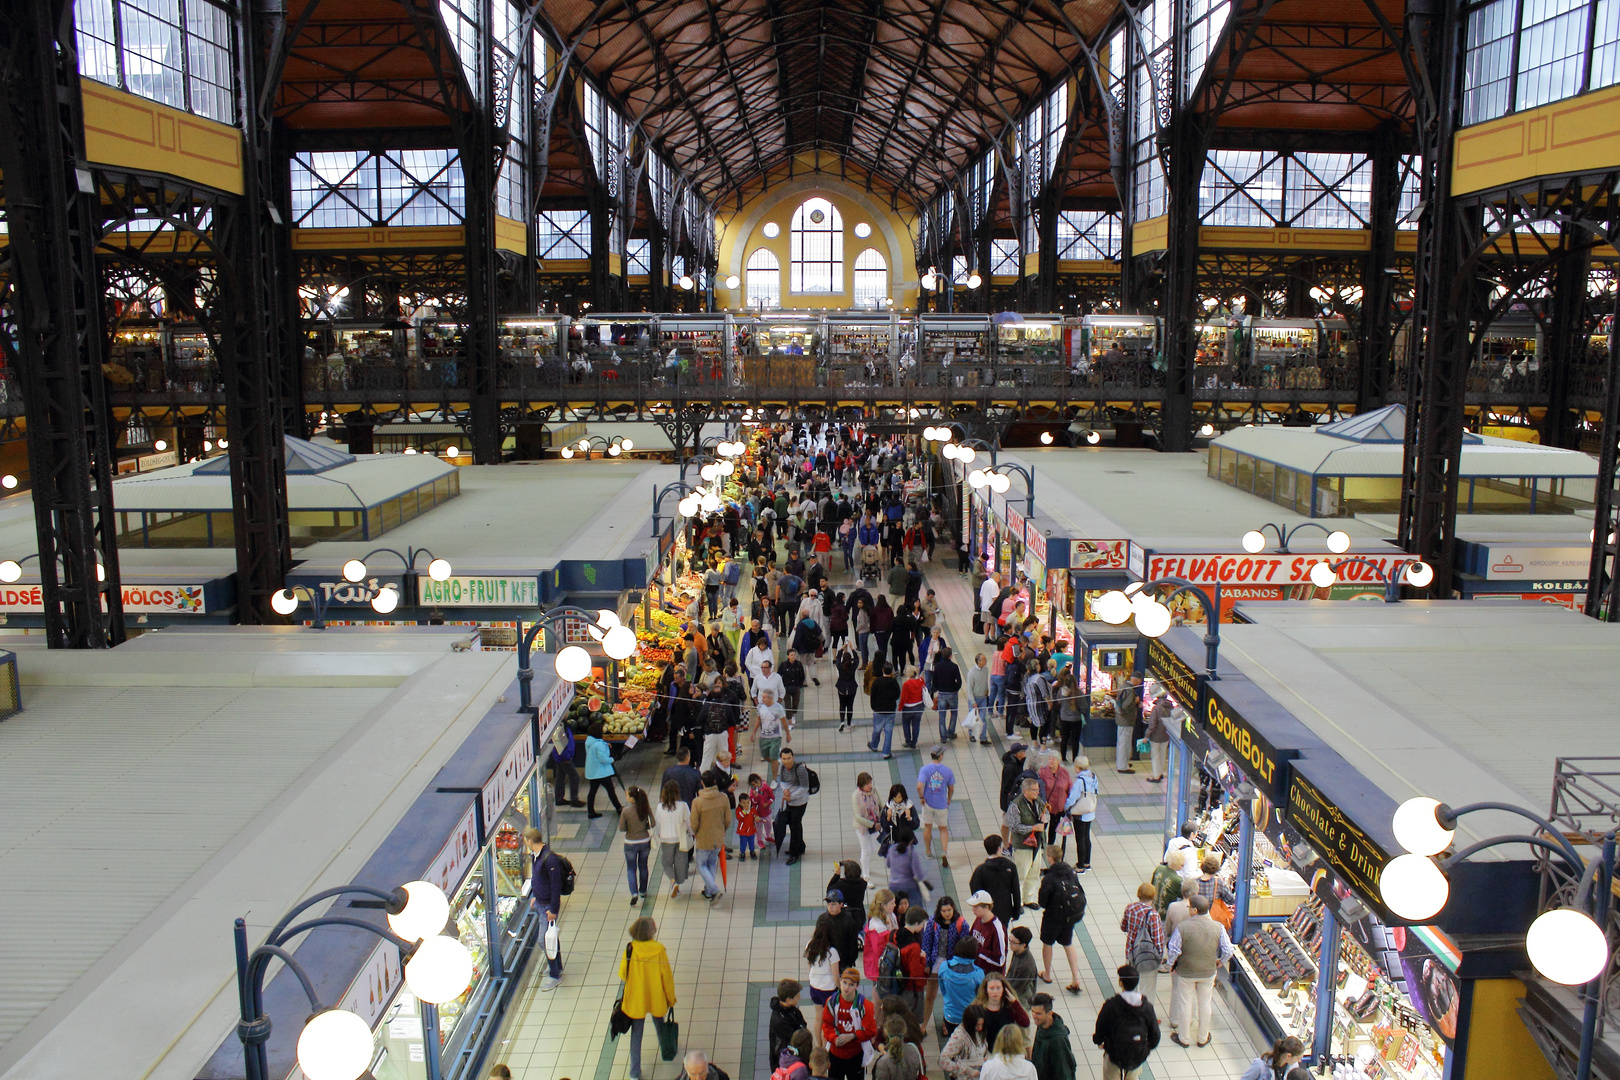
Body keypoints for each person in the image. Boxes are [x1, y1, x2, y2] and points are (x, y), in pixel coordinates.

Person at [1165, 895, 1234, 1048]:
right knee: (1205, 1004)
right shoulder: (1218, 927)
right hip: (1208, 972)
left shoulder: (1182, 928)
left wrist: (1170, 965)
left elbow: (1174, 949)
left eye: (1189, 907)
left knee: (1185, 1003)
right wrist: (1220, 962)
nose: (1188, 909)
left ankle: (1184, 1038)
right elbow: (1229, 950)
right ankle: (1203, 1037)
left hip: (1186, 972)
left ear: (1195, 910)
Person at [618, 916, 677, 1080]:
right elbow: (667, 977)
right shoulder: (659, 950)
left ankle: (634, 1073)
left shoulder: (630, 948)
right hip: (656, 996)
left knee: (636, 1036)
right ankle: (666, 1051)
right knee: (660, 1025)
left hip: (637, 999)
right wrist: (671, 999)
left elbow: (623, 974)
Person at [1093, 965, 1160, 1080]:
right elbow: (1155, 1034)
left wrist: (1099, 1041)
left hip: (1114, 1054)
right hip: (1136, 1055)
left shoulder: (1111, 1006)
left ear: (1120, 983)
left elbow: (1100, 1028)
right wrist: (1145, 1048)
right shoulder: (1147, 1007)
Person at [1035, 844, 1086, 994]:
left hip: (1053, 916)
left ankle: (1048, 974)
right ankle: (1076, 978)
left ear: (1050, 858)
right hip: (1069, 915)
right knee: (1067, 943)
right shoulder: (1071, 872)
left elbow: (1043, 902)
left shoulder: (1050, 877)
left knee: (1048, 943)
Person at [523, 827, 566, 991]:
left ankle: (555, 974)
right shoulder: (536, 857)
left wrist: (553, 909)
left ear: (530, 841)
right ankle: (557, 966)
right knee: (550, 938)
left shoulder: (549, 859)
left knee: (544, 940)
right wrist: (535, 895)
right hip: (541, 902)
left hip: (548, 906)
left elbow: (555, 886)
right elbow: (540, 879)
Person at [820, 968, 877, 1080]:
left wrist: (853, 1036)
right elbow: (826, 1025)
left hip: (855, 1056)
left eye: (851, 984)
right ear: (840, 982)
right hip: (835, 1055)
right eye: (844, 983)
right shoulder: (831, 1002)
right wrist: (834, 1038)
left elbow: (871, 1031)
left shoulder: (865, 1006)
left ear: (857, 986)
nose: (846, 987)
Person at [1005, 776, 1047, 907]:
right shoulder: (1015, 806)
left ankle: (1028, 898)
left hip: (1037, 844)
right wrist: (1032, 828)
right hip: (1023, 846)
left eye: (1037, 790)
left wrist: (1045, 817)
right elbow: (1014, 826)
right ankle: (1018, 902)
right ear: (1025, 791)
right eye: (1034, 790)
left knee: (1034, 873)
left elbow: (1046, 813)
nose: (1037, 792)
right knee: (1021, 875)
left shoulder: (1038, 801)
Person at [1120, 884, 1166, 997]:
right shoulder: (1153, 915)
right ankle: (1143, 1011)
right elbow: (1158, 939)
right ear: (1153, 897)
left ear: (1138, 894)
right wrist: (1159, 957)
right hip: (1147, 956)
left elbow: (1123, 927)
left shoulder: (1130, 907)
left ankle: (1129, 1007)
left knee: (1130, 985)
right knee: (1147, 988)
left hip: (1131, 952)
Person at [690, 772, 730, 901]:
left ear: (702, 783)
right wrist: (722, 830)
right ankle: (708, 891)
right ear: (714, 782)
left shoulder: (697, 802)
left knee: (701, 864)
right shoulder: (723, 798)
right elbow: (728, 819)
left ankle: (713, 889)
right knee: (712, 863)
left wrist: (695, 832)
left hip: (703, 839)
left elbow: (694, 823)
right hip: (718, 838)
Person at [805, 919, 843, 1048]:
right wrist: (841, 988)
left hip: (814, 987)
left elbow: (810, 966)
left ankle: (819, 1045)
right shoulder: (832, 952)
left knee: (818, 1018)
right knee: (827, 1022)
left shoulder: (810, 945)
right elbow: (836, 976)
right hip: (828, 990)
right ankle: (825, 1048)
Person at [970, 835, 1022, 927]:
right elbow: (1016, 890)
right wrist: (1016, 911)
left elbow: (975, 890)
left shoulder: (980, 870)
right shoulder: (1010, 866)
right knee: (1001, 934)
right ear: (999, 849)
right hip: (1005, 909)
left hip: (987, 910)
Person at [915, 745, 955, 866]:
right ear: (940, 755)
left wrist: (922, 797)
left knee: (928, 827)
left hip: (928, 803)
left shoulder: (925, 769)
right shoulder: (947, 771)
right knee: (943, 828)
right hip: (941, 804)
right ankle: (944, 851)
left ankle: (928, 852)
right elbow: (951, 788)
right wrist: (948, 799)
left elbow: (919, 786)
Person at [653, 779, 692, 899]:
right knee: (680, 862)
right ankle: (678, 884)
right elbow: (689, 822)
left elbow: (657, 823)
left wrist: (658, 834)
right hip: (681, 839)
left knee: (666, 863)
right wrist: (692, 833)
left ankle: (673, 882)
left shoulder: (660, 807)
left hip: (666, 839)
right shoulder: (683, 805)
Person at [940, 938, 986, 1037]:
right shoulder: (978, 974)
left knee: (952, 1040)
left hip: (950, 1015)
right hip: (970, 1018)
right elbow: (981, 998)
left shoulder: (944, 967)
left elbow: (943, 990)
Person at [619, 785, 655, 906]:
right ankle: (643, 891)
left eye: (627, 795)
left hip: (630, 843)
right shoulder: (645, 808)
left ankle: (634, 893)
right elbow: (653, 823)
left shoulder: (626, 811)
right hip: (645, 841)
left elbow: (622, 828)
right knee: (643, 866)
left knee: (631, 868)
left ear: (631, 798)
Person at [777, 748, 813, 864]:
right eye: (784, 759)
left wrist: (791, 796)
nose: (786, 761)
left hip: (800, 802)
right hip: (790, 802)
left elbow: (804, 787)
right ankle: (800, 846)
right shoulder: (782, 768)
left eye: (788, 758)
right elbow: (782, 781)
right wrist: (785, 790)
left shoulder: (800, 770)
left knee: (794, 826)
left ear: (793, 757)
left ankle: (794, 853)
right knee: (795, 825)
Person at [1029, 993, 1077, 1080]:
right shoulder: (1042, 1024)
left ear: (1049, 1013)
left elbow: (1064, 1072)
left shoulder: (1058, 1041)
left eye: (1038, 1013)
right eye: (1032, 1011)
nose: (1034, 1016)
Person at [939, 1003, 990, 1080]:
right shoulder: (959, 1036)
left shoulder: (980, 1032)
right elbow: (943, 1060)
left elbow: (983, 1051)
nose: (980, 1028)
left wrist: (988, 1056)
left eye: (981, 1024)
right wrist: (968, 1070)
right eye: (977, 1025)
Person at [585, 721, 624, 818]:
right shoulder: (599, 745)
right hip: (601, 772)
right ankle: (619, 808)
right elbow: (603, 759)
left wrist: (605, 745)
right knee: (611, 790)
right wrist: (613, 759)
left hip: (593, 771)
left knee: (592, 791)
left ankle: (590, 811)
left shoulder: (589, 742)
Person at [1065, 758, 1099, 871]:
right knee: (1086, 837)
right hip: (1090, 811)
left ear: (1077, 768)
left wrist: (1066, 807)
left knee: (1080, 839)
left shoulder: (1080, 781)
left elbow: (1072, 798)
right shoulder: (1093, 777)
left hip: (1080, 813)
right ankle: (1086, 863)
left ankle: (1080, 866)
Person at [885, 825, 928, 909]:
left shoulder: (892, 849)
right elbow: (918, 873)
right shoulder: (912, 852)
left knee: (894, 910)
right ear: (911, 840)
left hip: (893, 886)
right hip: (909, 887)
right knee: (915, 911)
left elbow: (888, 864)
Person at [770, 978, 810, 1067]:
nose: (799, 997)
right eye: (797, 995)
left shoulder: (791, 1010)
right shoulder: (779, 1021)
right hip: (785, 1060)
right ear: (788, 999)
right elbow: (796, 1038)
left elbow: (802, 1023)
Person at [967, 890, 1008, 975]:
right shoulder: (978, 919)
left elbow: (1000, 960)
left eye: (976, 907)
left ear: (986, 907)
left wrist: (978, 951)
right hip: (977, 970)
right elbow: (971, 938)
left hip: (990, 975)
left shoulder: (997, 929)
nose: (972, 910)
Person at [862, 888, 898, 983]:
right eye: (892, 903)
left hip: (890, 960)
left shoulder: (891, 915)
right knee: (878, 992)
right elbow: (878, 951)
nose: (895, 905)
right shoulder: (877, 926)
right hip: (880, 965)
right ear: (883, 905)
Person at [867, 661, 901, 759]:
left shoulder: (877, 682)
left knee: (877, 729)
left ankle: (874, 745)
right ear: (891, 671)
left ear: (882, 670)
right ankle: (886, 753)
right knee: (888, 732)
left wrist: (873, 707)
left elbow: (872, 696)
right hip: (890, 710)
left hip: (878, 710)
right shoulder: (894, 682)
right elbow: (897, 695)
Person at [754, 688, 789, 779]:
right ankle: (776, 763)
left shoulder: (778, 708)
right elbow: (758, 719)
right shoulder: (760, 707)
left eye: (764, 697)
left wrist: (788, 734)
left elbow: (784, 721)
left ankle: (774, 779)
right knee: (765, 756)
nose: (762, 699)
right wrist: (753, 732)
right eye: (762, 697)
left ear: (770, 698)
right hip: (764, 736)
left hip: (776, 736)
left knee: (773, 758)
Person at [852, 772, 881, 877]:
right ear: (861, 785)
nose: (869, 786)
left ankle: (865, 867)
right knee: (866, 850)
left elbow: (881, 806)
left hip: (875, 825)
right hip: (862, 827)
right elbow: (858, 817)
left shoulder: (875, 791)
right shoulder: (856, 796)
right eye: (866, 784)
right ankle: (866, 875)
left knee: (876, 847)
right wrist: (872, 824)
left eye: (870, 783)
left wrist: (880, 821)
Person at [548, 726, 584, 808]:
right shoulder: (560, 728)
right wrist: (567, 757)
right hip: (563, 757)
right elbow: (560, 745)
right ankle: (574, 800)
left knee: (560, 777)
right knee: (574, 777)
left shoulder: (563, 726)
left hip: (560, 757)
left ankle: (559, 798)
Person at [1240, 1036, 1307, 1080]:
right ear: (1289, 1056)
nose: (1299, 1061)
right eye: (1298, 1058)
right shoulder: (1260, 1065)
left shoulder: (1293, 1067)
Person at [932, 645, 962, 740]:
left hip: (942, 693)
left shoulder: (937, 666)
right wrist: (956, 688)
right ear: (950, 656)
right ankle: (951, 732)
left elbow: (934, 680)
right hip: (952, 693)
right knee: (954, 713)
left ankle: (943, 736)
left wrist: (937, 688)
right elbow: (959, 680)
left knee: (942, 715)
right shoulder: (954, 666)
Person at [1113, 676, 1142, 773]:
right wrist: (1136, 702)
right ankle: (1122, 767)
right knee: (1124, 743)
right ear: (1136, 680)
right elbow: (1126, 706)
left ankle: (1122, 762)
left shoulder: (1123, 686)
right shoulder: (1130, 691)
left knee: (1121, 742)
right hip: (1126, 721)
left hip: (1121, 720)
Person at [1004, 926, 1039, 1004]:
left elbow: (1017, 989)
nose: (1010, 943)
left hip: (1022, 999)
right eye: (1010, 940)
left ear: (1023, 945)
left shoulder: (1026, 965)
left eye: (1013, 942)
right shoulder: (1017, 951)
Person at [1144, 693, 1173, 782]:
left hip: (1156, 736)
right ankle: (1160, 773)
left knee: (1155, 755)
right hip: (1166, 735)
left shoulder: (1156, 709)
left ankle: (1156, 776)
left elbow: (1152, 724)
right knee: (1162, 754)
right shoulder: (1171, 708)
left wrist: (1147, 735)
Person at [897, 665, 927, 749]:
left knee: (906, 723)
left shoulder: (906, 684)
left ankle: (908, 741)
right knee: (916, 724)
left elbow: (903, 697)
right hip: (919, 706)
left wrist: (900, 707)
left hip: (908, 707)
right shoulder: (921, 680)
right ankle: (914, 742)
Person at [834, 641, 861, 732]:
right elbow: (857, 659)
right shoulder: (853, 666)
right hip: (851, 688)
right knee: (850, 706)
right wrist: (852, 648)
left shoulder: (840, 666)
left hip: (841, 687)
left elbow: (837, 658)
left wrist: (842, 648)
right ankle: (849, 723)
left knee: (842, 704)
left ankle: (842, 721)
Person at [966, 654, 991, 743]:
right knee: (973, 718)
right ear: (978, 661)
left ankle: (983, 737)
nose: (986, 660)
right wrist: (972, 701)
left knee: (983, 718)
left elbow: (985, 682)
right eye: (984, 659)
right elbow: (969, 689)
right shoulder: (971, 673)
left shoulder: (986, 669)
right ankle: (971, 734)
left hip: (983, 697)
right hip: (975, 698)